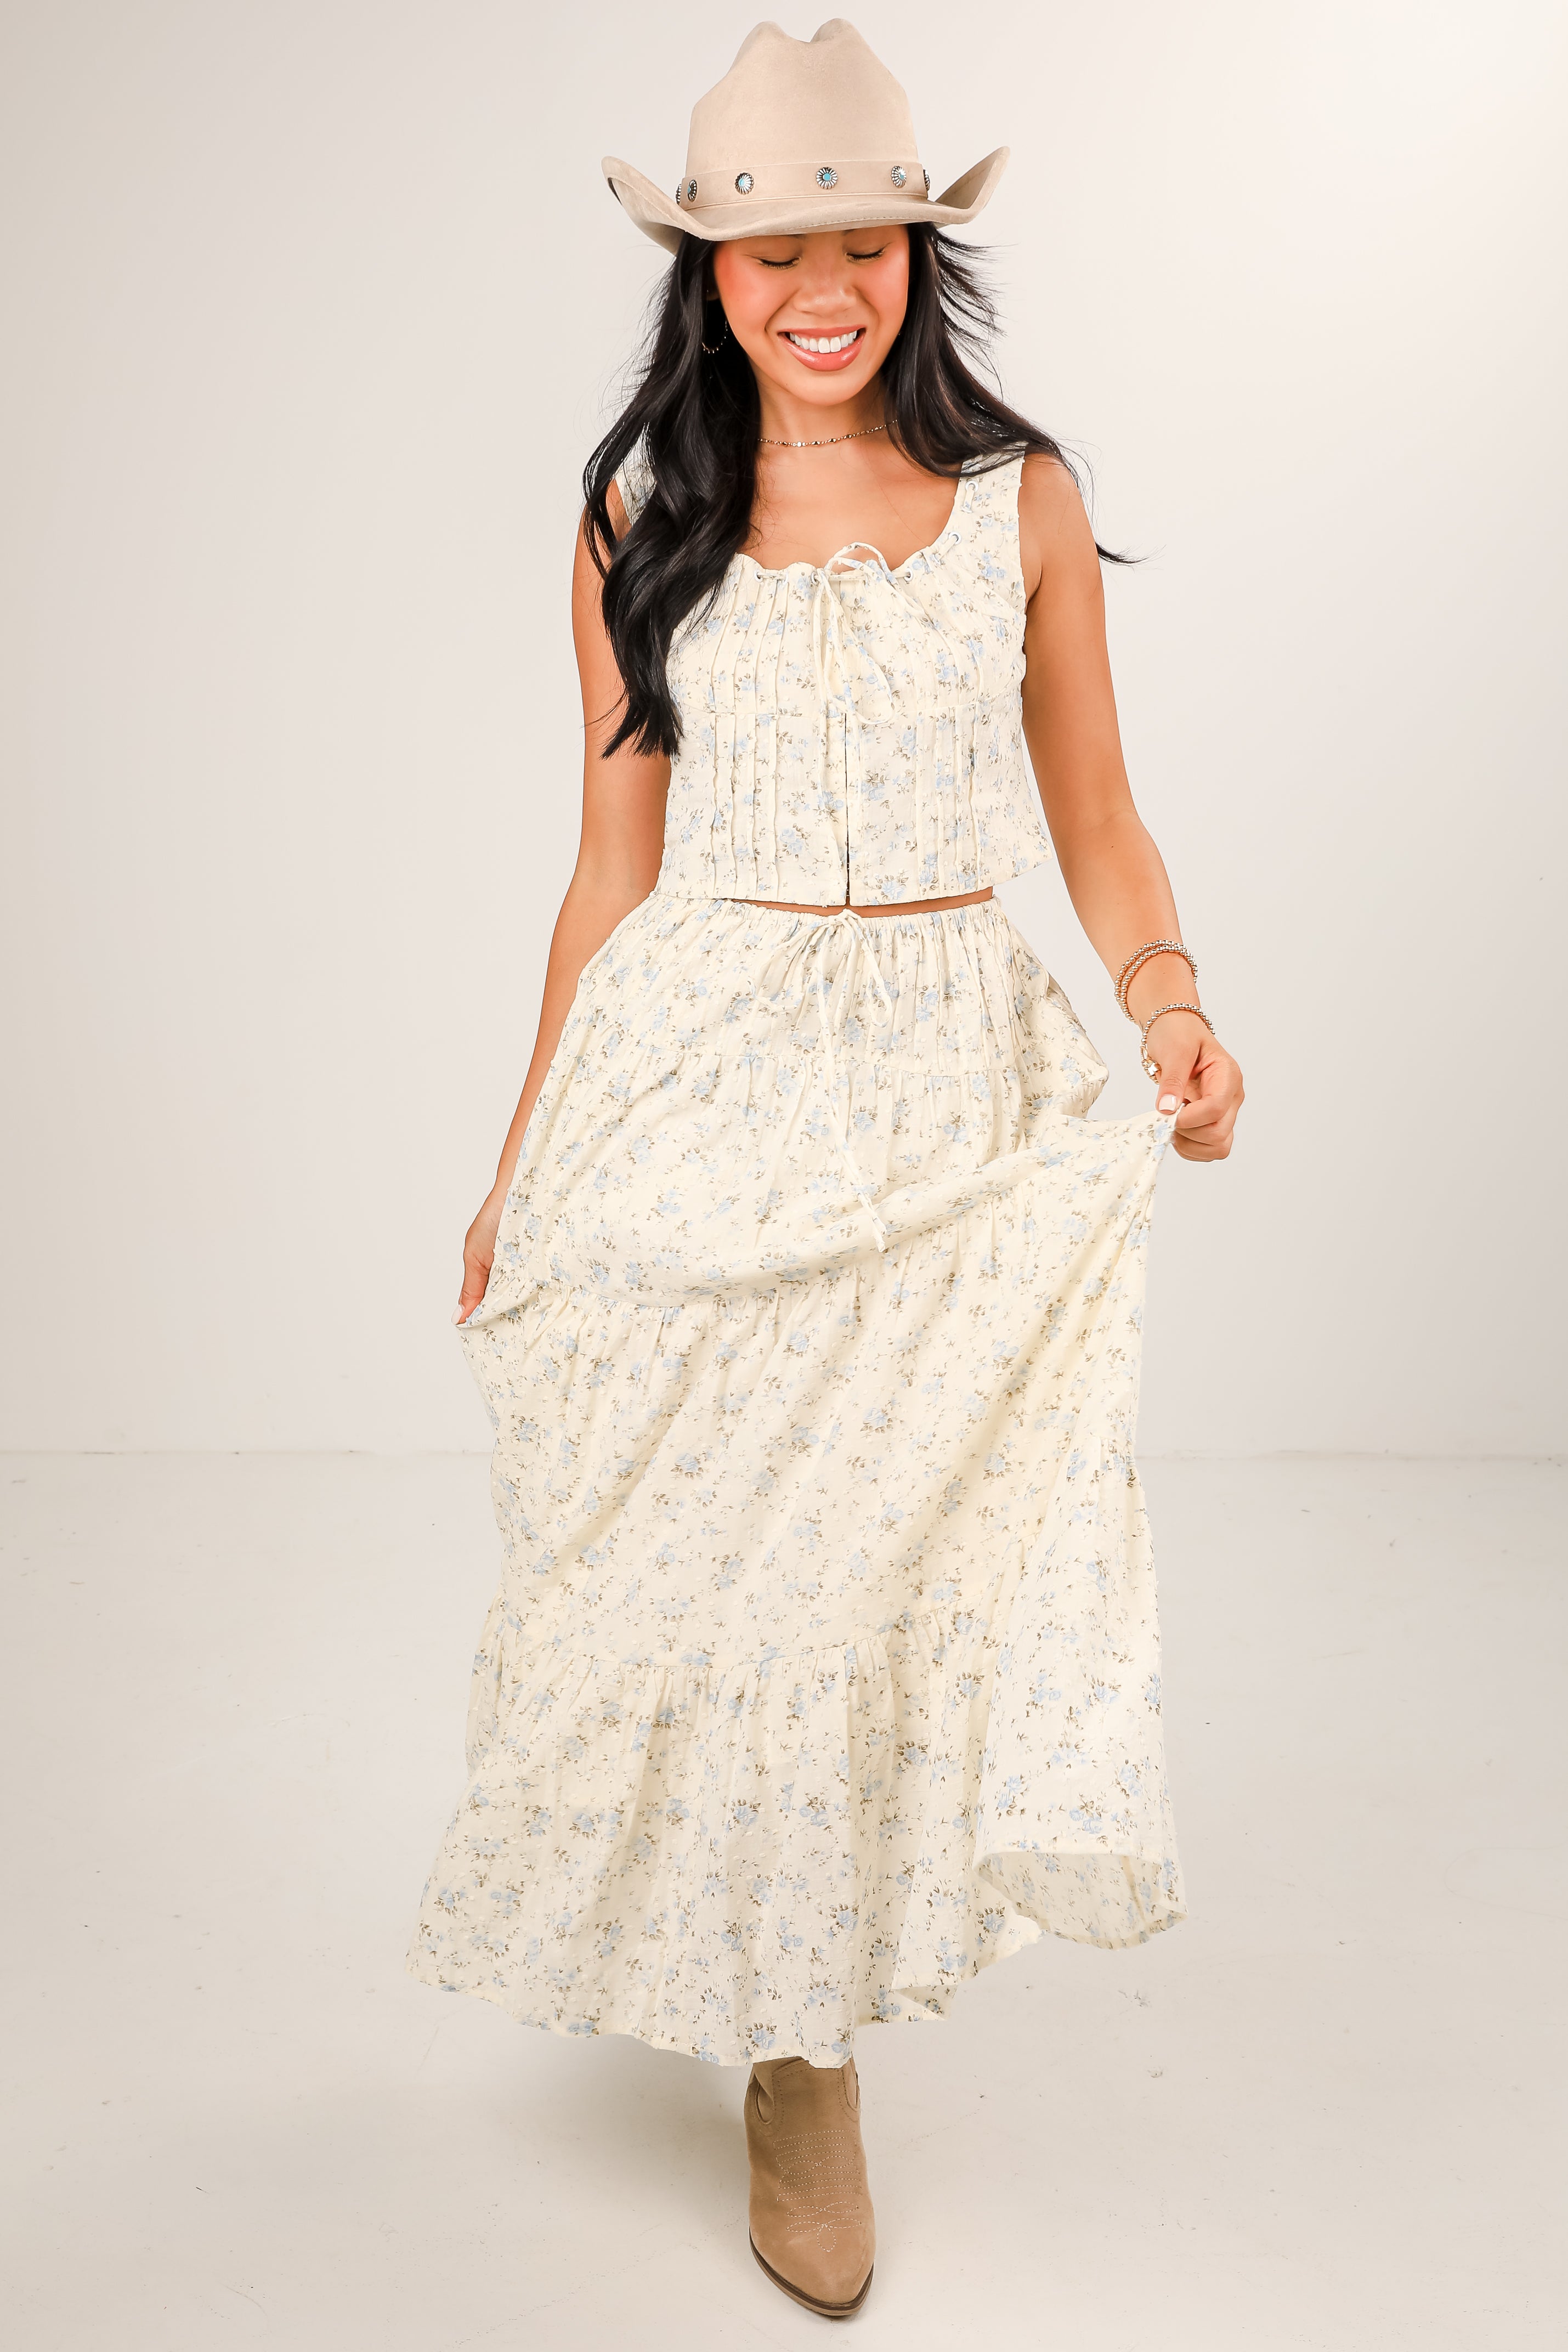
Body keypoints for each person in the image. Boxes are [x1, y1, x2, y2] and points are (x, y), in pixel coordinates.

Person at [409, 19, 1243, 2320]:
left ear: (910, 256)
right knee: (723, 1583)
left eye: (856, 242)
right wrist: (522, 1150)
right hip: (700, 1070)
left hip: (945, 1092)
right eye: (770, 248)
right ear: (707, 272)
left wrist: (1163, 997)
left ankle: (818, 2034)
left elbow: (1094, 817)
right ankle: (790, 2047)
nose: (816, 286)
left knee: (876, 1585)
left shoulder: (1020, 501)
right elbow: (605, 869)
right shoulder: (635, 518)